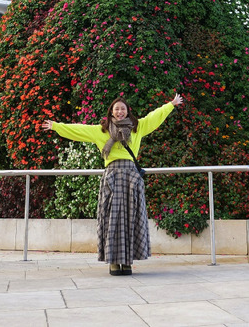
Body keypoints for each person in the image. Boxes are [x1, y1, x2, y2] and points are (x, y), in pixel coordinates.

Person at [40, 93, 183, 276]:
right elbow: (79, 130)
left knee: (131, 218)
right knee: (113, 219)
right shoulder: (102, 130)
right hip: (112, 177)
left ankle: (127, 261)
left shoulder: (136, 128)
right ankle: (114, 262)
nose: (120, 112)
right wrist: (57, 126)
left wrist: (170, 105)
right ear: (111, 112)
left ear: (127, 111)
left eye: (123, 108)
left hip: (131, 176)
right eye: (117, 109)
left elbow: (154, 117)